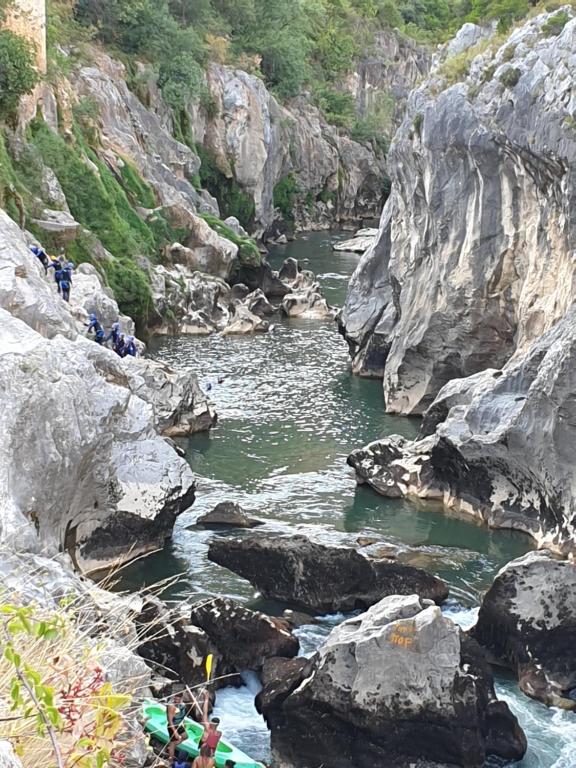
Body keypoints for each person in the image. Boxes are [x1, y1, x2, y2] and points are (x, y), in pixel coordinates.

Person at [167, 692, 188, 762]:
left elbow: (183, 715)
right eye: (175, 699)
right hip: (172, 726)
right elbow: (170, 721)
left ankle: (171, 747)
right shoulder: (171, 706)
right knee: (172, 743)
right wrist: (175, 732)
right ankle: (170, 760)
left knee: (185, 736)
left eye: (178, 700)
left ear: (181, 699)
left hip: (179, 725)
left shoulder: (183, 705)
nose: (176, 701)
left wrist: (184, 723)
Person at [200, 693, 221, 757]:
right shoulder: (219, 733)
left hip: (205, 750)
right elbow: (216, 744)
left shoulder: (207, 728)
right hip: (211, 751)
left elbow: (205, 713)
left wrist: (206, 700)